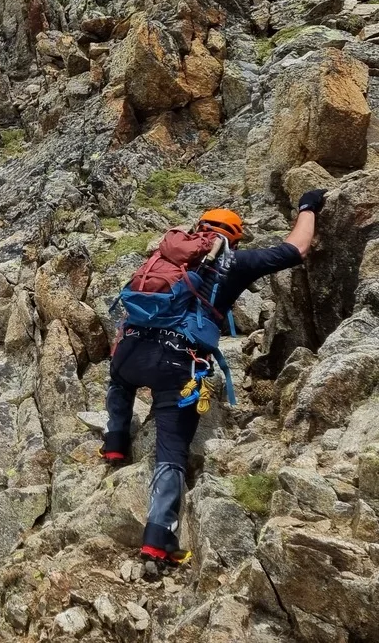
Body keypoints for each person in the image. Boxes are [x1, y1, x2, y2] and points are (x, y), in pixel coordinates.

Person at [101, 188, 327, 565]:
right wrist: (308, 206)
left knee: (120, 381)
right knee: (171, 449)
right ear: (234, 238)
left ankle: (115, 442)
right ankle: (158, 540)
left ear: (199, 229)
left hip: (129, 352)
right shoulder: (235, 262)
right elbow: (297, 248)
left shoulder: (164, 257)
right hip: (177, 363)